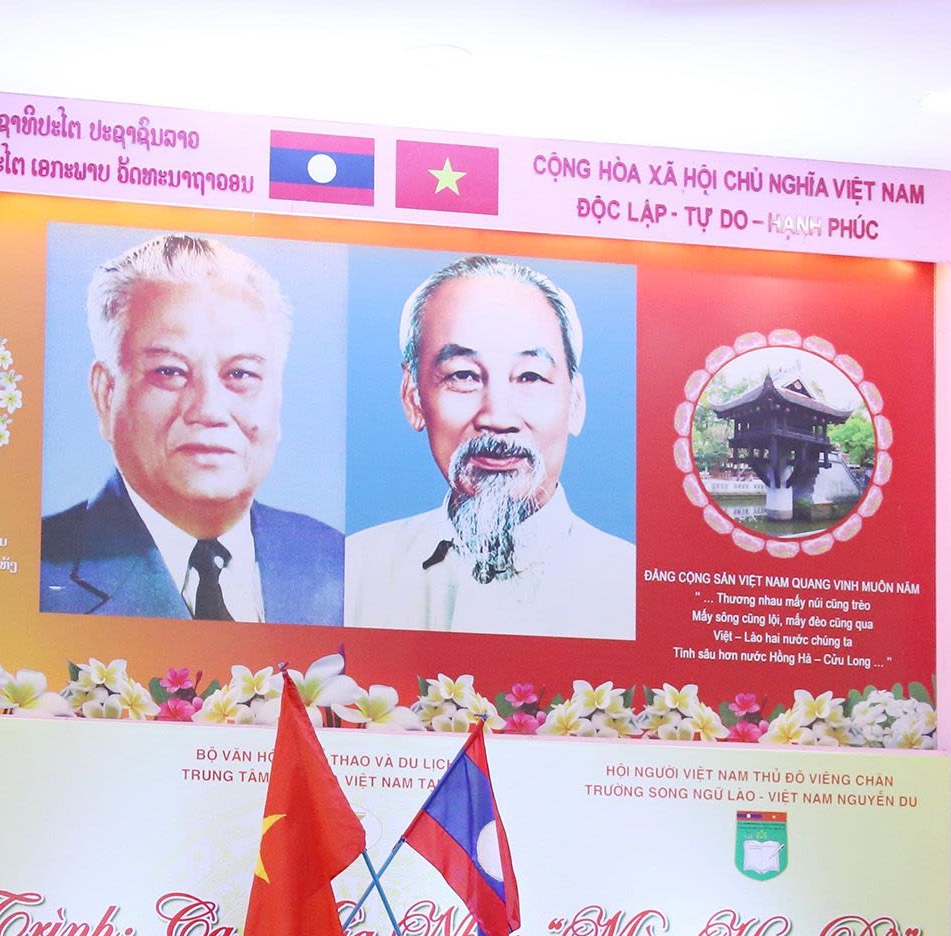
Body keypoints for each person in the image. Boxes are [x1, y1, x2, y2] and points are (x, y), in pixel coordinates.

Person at [41, 232, 341, 623]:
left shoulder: (335, 562)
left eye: (240, 374)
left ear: (278, 398)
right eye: (170, 371)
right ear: (105, 394)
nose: (209, 410)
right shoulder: (40, 572)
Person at [345, 255, 634, 639]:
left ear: (576, 403)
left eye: (530, 376)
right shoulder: (352, 572)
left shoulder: (631, 589)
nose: (497, 417)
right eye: (463, 375)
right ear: (413, 397)